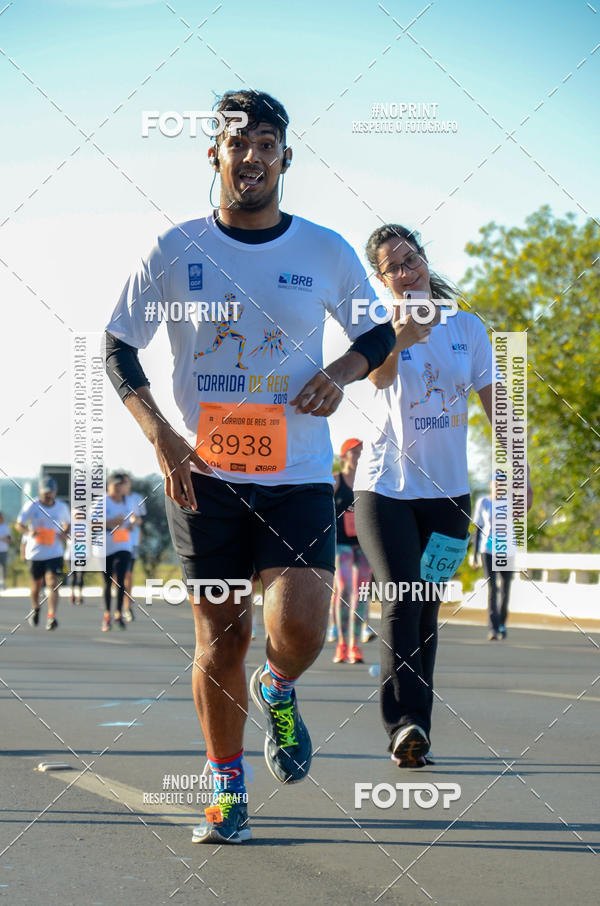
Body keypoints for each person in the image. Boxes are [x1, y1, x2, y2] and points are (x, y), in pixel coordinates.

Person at [103, 89, 394, 844]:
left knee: (301, 623)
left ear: (285, 158)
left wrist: (340, 372)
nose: (253, 156)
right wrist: (162, 436)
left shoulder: (324, 250)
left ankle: (282, 686)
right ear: (216, 156)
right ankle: (227, 788)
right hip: (204, 477)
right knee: (220, 638)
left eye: (267, 143)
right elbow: (118, 348)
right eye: (239, 143)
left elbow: (380, 334)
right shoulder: (176, 249)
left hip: (297, 472)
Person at [354, 223, 533, 768]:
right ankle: (400, 722)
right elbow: (380, 380)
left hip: (450, 499)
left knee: (427, 605)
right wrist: (398, 335)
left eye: (412, 261)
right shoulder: (377, 324)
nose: (407, 273)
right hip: (385, 490)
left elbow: (498, 404)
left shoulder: (469, 328)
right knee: (403, 596)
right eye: (394, 268)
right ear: (381, 280)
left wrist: (518, 470)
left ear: (425, 261)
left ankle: (417, 731)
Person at [332, 438, 371, 665]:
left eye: (361, 452)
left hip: (364, 543)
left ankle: (355, 645)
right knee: (345, 588)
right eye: (354, 452)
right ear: (344, 454)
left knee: (362, 592)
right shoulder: (336, 482)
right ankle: (341, 644)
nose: (358, 456)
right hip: (341, 543)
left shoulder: (367, 482)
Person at [15, 477, 70, 630]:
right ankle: (36, 608)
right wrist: (29, 531)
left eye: (50, 492)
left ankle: (51, 616)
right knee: (36, 587)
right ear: (40, 491)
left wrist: (65, 533)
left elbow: (68, 523)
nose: (48, 495)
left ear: (55, 491)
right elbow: (18, 524)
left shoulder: (62, 507)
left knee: (53, 583)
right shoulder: (32, 506)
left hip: (55, 552)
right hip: (35, 553)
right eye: (45, 492)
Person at [471, 476, 514, 640]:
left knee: (505, 589)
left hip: (507, 551)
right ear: (491, 485)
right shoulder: (483, 502)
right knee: (492, 589)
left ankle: (502, 623)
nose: (499, 486)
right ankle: (493, 628)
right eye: (496, 483)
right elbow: (478, 529)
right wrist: (474, 556)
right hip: (487, 550)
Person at [94, 473, 135, 631]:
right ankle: (107, 615)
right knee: (107, 582)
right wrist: (112, 522)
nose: (118, 488)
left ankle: (118, 613)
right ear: (108, 486)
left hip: (123, 543)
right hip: (104, 545)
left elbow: (134, 518)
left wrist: (132, 523)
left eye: (120, 485)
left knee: (121, 577)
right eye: (115, 485)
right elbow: (92, 523)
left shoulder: (129, 501)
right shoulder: (101, 503)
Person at [121, 473, 147, 622]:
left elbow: (140, 520)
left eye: (126, 482)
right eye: (121, 483)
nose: (124, 485)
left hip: (131, 542)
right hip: (114, 543)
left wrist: (134, 522)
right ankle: (123, 596)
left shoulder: (136, 498)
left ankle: (126, 605)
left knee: (128, 574)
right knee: (117, 576)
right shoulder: (111, 500)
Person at [0, 511, 12, 592]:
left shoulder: (5, 527)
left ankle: (3, 583)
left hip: (3, 550)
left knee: (3, 567)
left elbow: (10, 540)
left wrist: (2, 539)